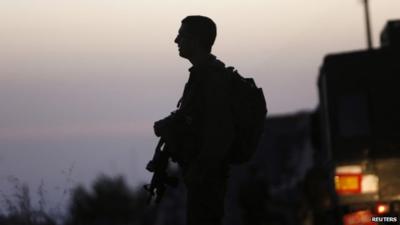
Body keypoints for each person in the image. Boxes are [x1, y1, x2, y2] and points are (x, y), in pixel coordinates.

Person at [153, 15, 234, 225]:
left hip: (206, 177)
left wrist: (200, 169)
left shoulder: (211, 78)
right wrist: (168, 125)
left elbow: (218, 129)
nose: (176, 40)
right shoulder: (201, 75)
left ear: (196, 40)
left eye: (181, 35)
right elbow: (192, 116)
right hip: (201, 176)